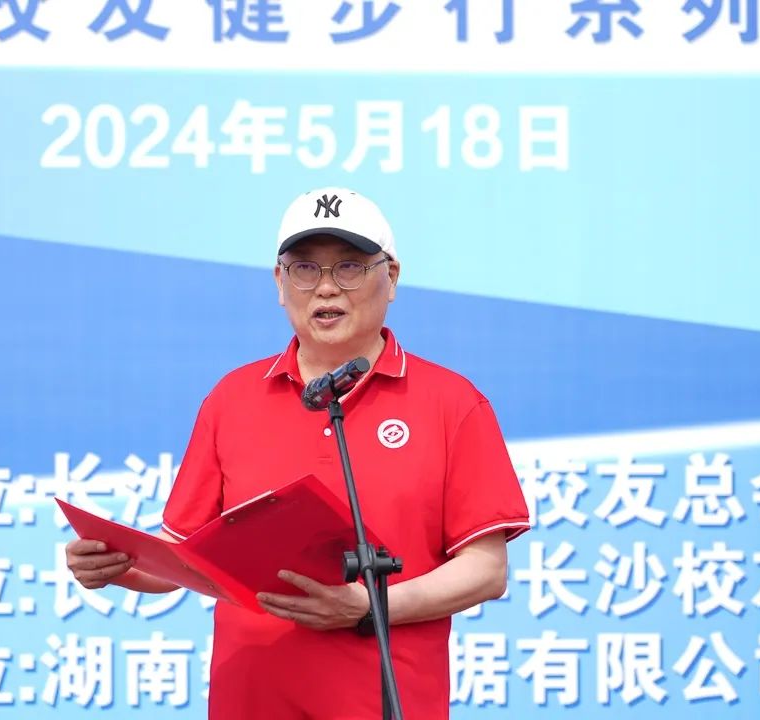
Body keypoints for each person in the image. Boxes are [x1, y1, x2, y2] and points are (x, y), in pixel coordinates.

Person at [65, 187, 530, 719]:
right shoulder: (232, 399)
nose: (326, 287)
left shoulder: (451, 402)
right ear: (279, 283)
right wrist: (119, 564)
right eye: (305, 268)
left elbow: (485, 570)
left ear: (392, 276)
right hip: (251, 702)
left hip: (384, 702)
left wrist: (368, 607)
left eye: (350, 267)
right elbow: (184, 557)